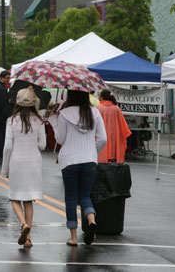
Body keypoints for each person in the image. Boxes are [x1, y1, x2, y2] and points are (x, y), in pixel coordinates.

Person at [52, 90, 107, 246]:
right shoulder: (94, 112)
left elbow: (61, 139)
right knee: (85, 196)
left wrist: (55, 122)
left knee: (70, 197)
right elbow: (103, 138)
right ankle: (91, 221)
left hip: (69, 160)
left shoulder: (64, 113)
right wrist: (92, 152)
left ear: (70, 96)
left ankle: (74, 237)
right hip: (89, 159)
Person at [1, 87, 46, 248]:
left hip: (16, 161)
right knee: (28, 200)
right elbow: (43, 145)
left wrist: (4, 169)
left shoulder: (12, 120)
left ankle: (22, 224)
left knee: (14, 197)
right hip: (33, 161)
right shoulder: (39, 121)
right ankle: (28, 238)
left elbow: (7, 147)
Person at [96, 89, 131, 163]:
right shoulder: (116, 108)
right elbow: (123, 126)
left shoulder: (98, 108)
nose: (98, 97)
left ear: (102, 97)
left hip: (101, 139)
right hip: (115, 140)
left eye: (99, 96)